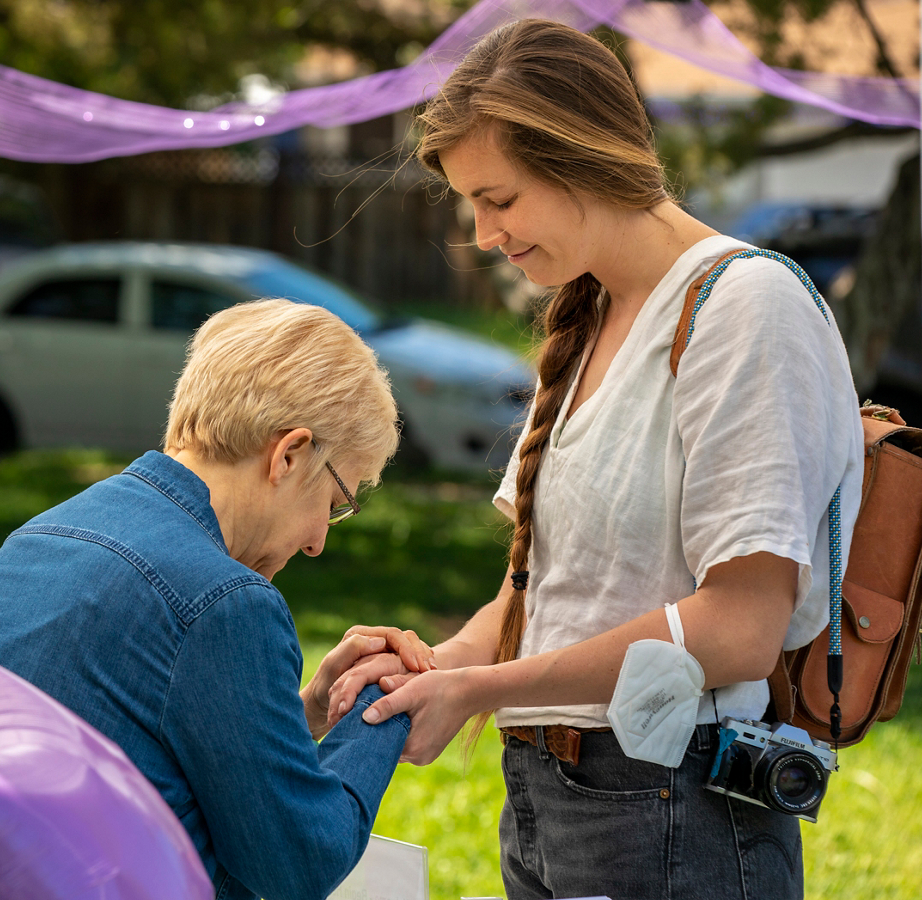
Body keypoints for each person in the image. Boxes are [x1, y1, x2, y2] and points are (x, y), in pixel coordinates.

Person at [326, 19, 863, 900]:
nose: (483, 232)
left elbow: (741, 626)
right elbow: (544, 596)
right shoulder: (591, 317)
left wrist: (486, 687)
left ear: (580, 158)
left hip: (677, 804)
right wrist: (434, 668)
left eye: (499, 198)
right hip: (549, 797)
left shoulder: (746, 308)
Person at [0, 298, 434, 900]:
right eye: (333, 503)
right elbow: (298, 864)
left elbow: (129, 751)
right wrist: (384, 704)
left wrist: (300, 715)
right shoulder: (226, 603)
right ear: (289, 455)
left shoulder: (39, 538)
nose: (317, 541)